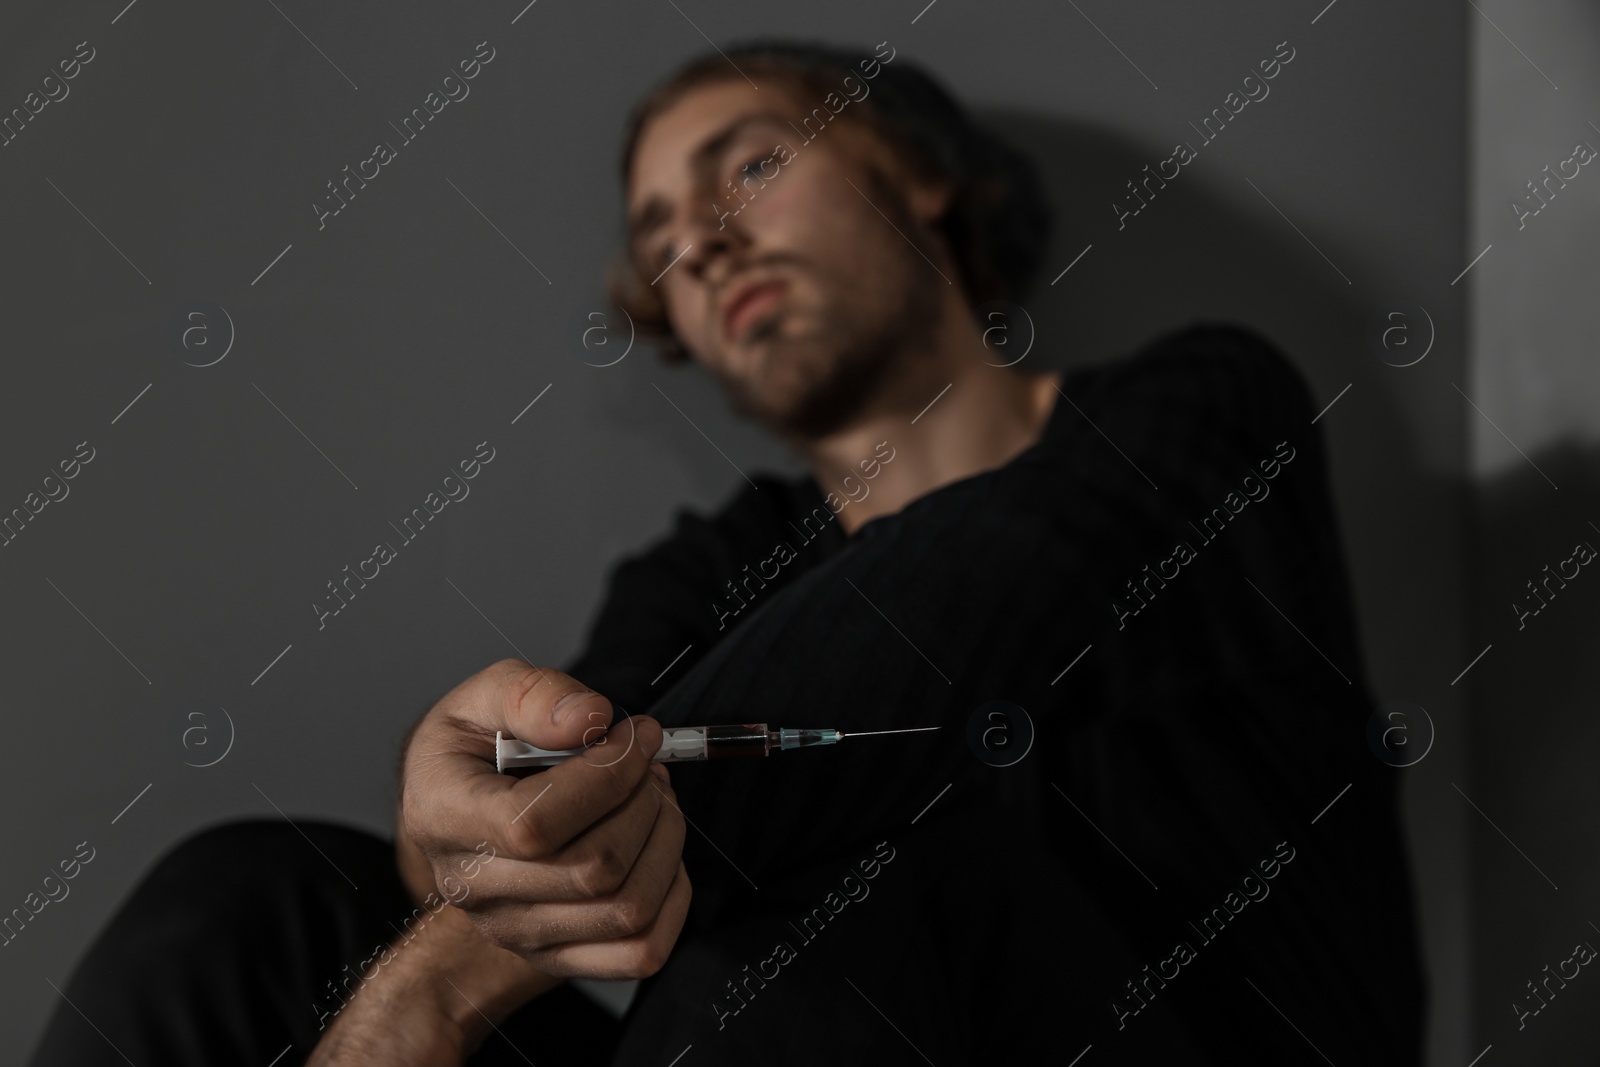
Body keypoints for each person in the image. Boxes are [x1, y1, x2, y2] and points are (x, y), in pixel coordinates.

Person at [28, 39, 1426, 1066]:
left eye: (751, 165)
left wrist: (435, 990)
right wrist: (473, 813)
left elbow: (983, 593)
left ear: (922, 179)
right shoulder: (708, 570)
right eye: (657, 240)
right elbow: (577, 793)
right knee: (247, 904)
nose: (699, 239)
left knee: (853, 872)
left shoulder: (1197, 415)